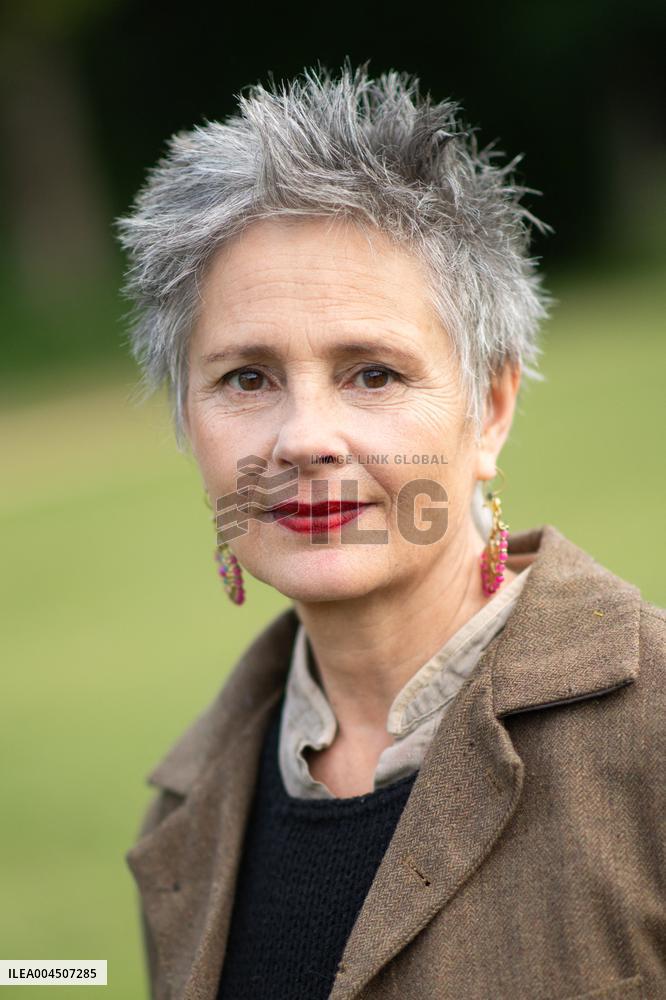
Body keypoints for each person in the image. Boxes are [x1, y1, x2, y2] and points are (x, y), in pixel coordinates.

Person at [115, 64, 666, 1000]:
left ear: (490, 408)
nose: (303, 439)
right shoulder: (188, 808)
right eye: (245, 378)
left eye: (372, 372)